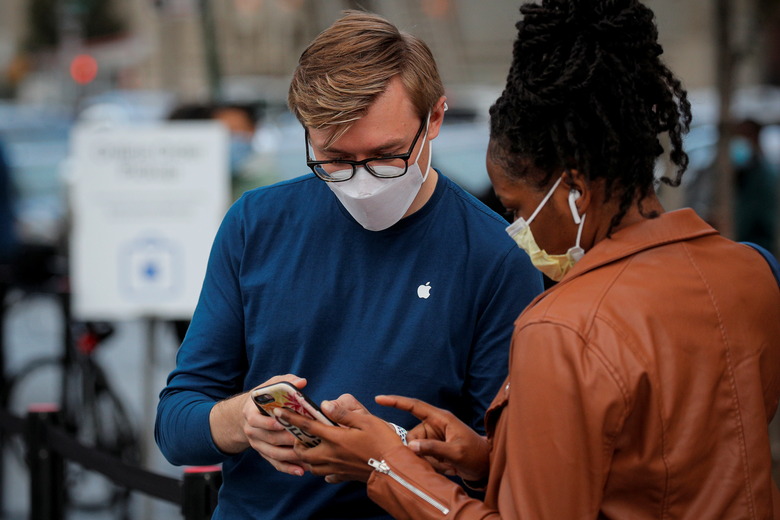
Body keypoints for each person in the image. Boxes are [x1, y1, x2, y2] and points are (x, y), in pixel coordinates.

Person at [276, 1, 780, 518]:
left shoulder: (562, 327)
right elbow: (652, 461)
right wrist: (490, 458)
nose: (518, 231)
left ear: (575, 191)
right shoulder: (754, 273)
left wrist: (385, 465)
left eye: (516, 208)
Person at [155, 10, 542, 520]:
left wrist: (395, 454)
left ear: (436, 119)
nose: (362, 181)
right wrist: (242, 419)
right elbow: (176, 424)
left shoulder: (498, 255)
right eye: (334, 159)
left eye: (386, 156)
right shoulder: (255, 223)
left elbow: (507, 464)